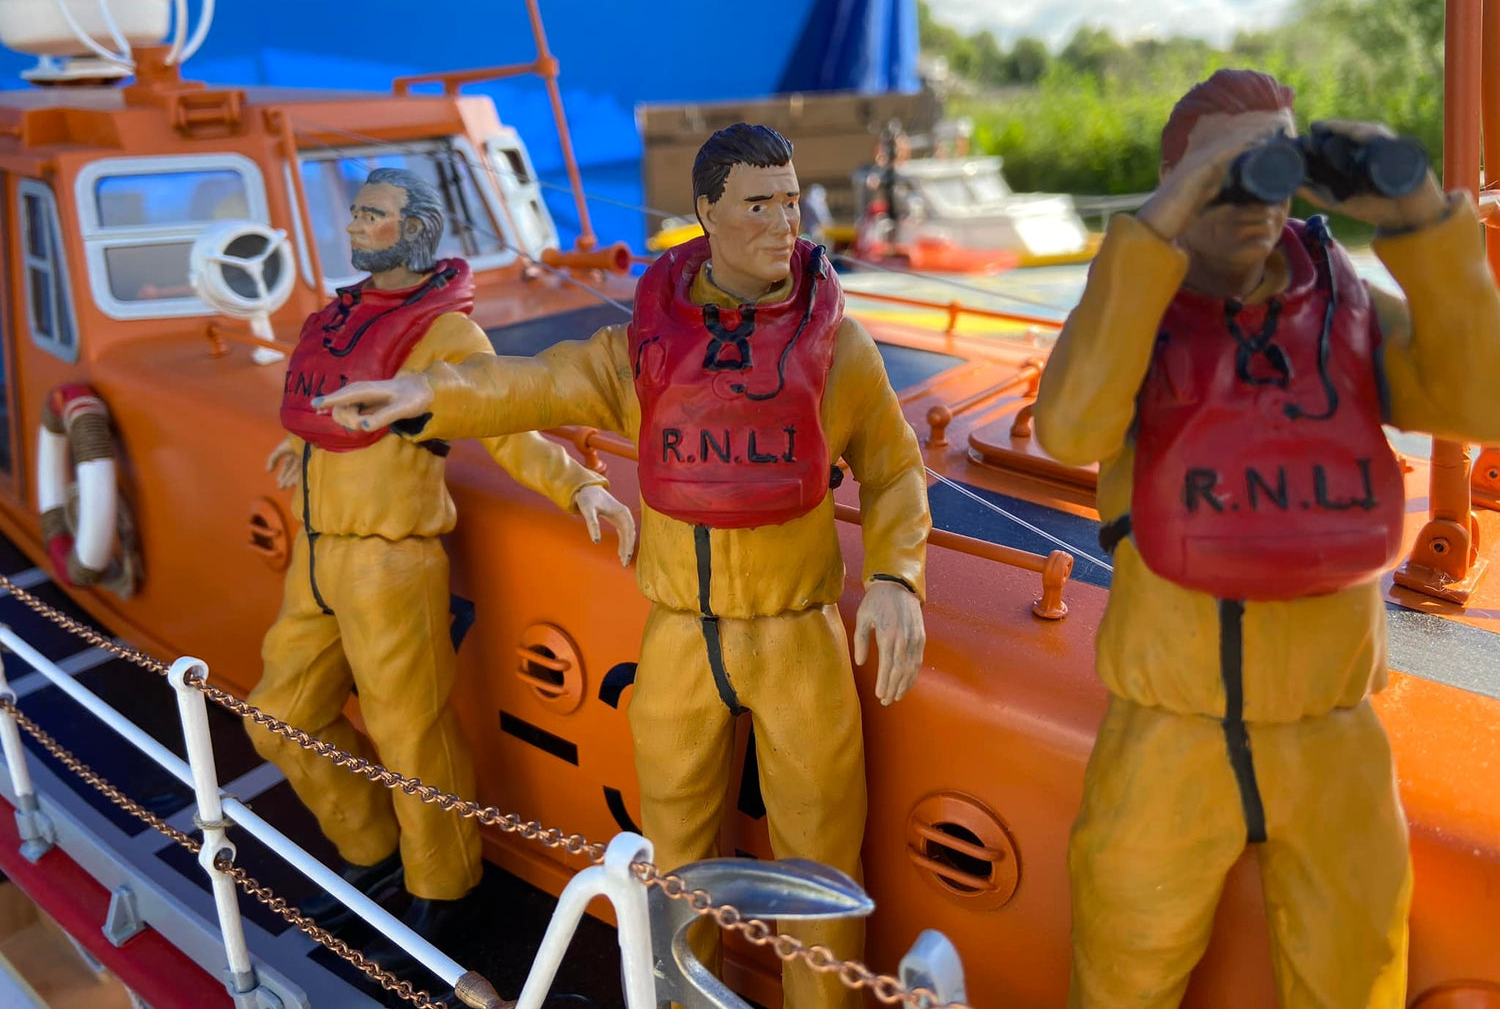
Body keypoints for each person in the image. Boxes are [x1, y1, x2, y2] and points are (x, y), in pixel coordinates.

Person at [314, 126, 931, 1009]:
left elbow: (897, 467)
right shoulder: (648, 343)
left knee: (822, 858)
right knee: (673, 846)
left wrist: (898, 575)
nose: (782, 224)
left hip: (800, 635)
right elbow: (539, 382)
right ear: (707, 213)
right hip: (679, 632)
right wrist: (426, 392)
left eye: (791, 201)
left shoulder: (837, 347)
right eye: (758, 203)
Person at [1033, 69, 1500, 1008]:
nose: (1259, 198)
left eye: (1275, 163)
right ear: (1181, 179)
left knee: (1355, 965)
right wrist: (1153, 235)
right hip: (1170, 724)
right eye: (1230, 172)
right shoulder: (1135, 308)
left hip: (1331, 726)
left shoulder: (1343, 303)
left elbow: (1481, 398)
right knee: (1125, 956)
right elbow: (1071, 427)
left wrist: (1423, 226)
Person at [255, 167, 636, 965]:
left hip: (390, 555)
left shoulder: (444, 336)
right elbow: (329, 400)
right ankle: (372, 847)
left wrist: (580, 485)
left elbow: (508, 423)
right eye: (356, 211)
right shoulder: (340, 319)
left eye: (374, 214)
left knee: (411, 732)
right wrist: (301, 442)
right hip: (319, 549)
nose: (356, 224)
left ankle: (442, 884)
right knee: (276, 712)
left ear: (417, 228)